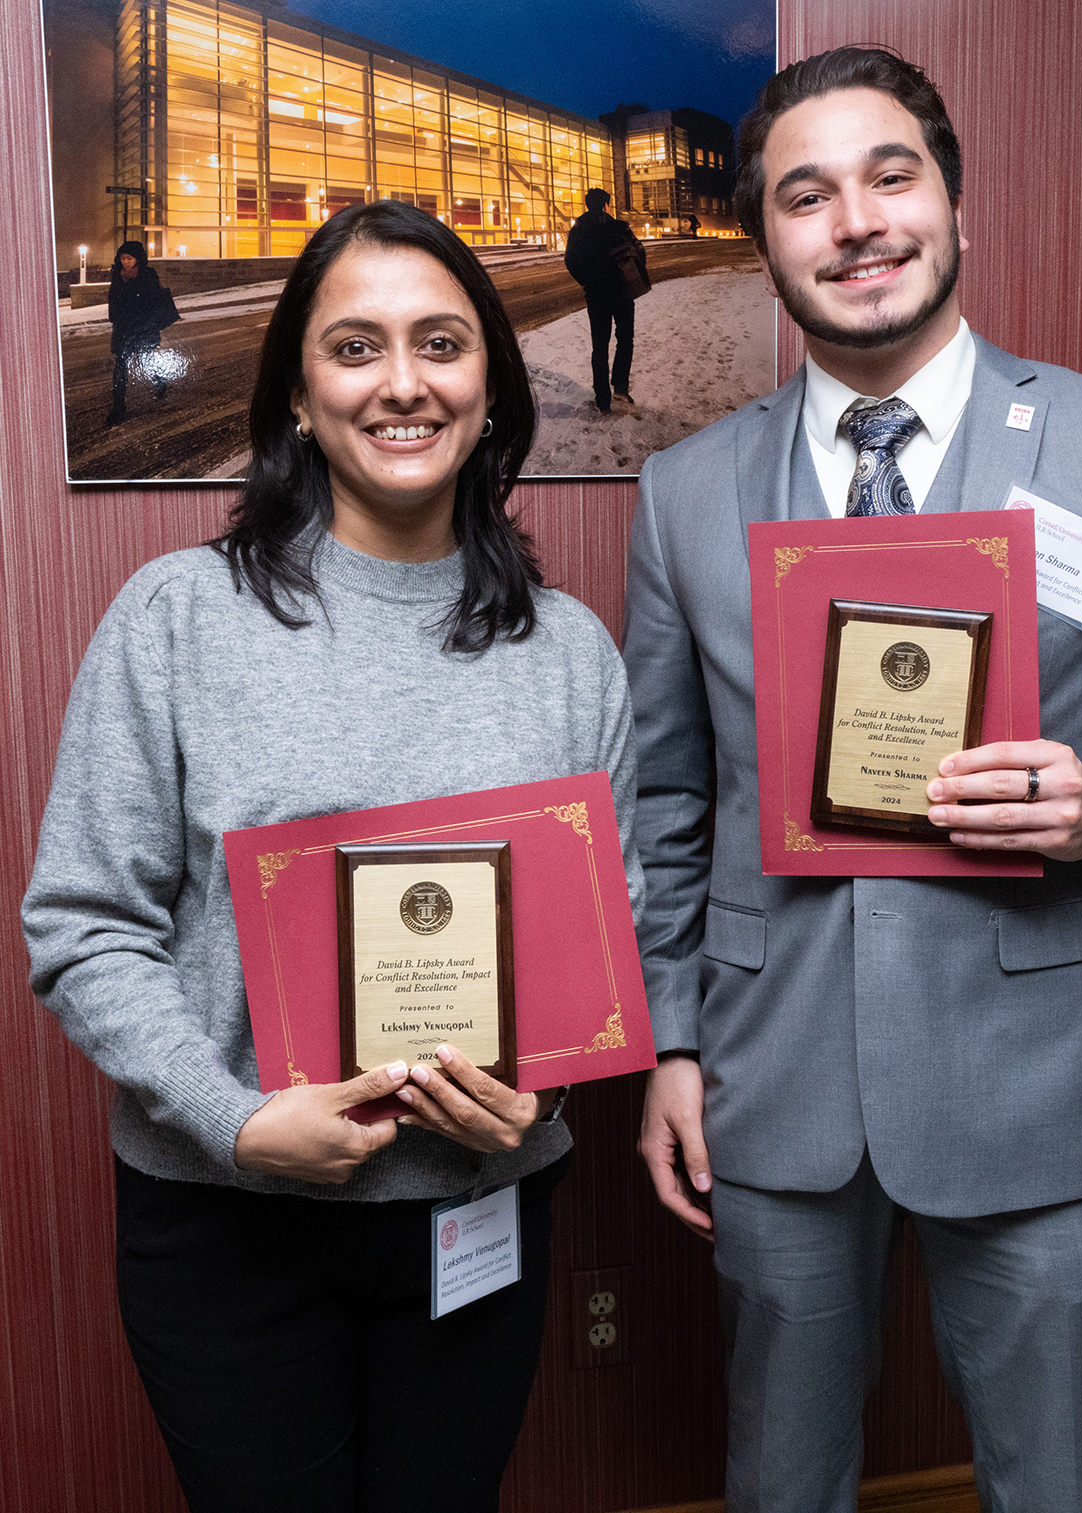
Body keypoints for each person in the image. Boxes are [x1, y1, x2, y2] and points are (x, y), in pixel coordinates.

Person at [622, 47, 1082, 1513]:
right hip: (773, 1086)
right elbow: (666, 800)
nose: (857, 224)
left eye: (892, 178)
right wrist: (674, 1043)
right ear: (765, 241)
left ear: (957, 206)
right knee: (780, 1478)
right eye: (806, 196)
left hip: (1042, 1077)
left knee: (1058, 1485)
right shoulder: (686, 490)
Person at [24, 200, 642, 1513]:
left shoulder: (575, 652)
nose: (404, 383)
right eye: (355, 347)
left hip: (477, 1221)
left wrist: (547, 1095)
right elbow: (81, 924)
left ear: (492, 380)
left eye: (441, 343)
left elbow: (612, 932)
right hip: (227, 1227)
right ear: (299, 390)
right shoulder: (178, 618)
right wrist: (237, 1119)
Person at [564, 187, 645, 413]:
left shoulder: (578, 230)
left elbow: (570, 260)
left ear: (588, 204)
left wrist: (587, 281)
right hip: (622, 292)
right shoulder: (619, 227)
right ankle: (620, 387)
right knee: (625, 339)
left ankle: (603, 400)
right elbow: (640, 253)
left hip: (596, 295)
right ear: (606, 204)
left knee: (599, 347)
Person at [105, 239, 175, 426]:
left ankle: (159, 379)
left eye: (130, 258)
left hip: (143, 327)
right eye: (123, 258)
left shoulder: (148, 274)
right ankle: (118, 407)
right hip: (124, 328)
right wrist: (116, 318)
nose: (126, 262)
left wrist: (148, 323)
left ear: (138, 259)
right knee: (120, 366)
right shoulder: (117, 275)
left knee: (146, 359)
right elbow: (113, 299)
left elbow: (153, 301)